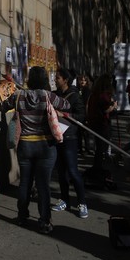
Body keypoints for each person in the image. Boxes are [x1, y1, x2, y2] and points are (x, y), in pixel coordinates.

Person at [0, 66, 71, 234]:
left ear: (29, 79)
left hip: (25, 145)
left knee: (25, 182)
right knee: (43, 185)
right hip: (45, 146)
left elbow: (4, 106)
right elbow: (66, 104)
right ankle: (44, 221)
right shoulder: (48, 96)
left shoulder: (18, 96)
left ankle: (22, 216)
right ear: (45, 80)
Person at [51, 68, 88, 219]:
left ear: (65, 80)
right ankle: (64, 199)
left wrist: (65, 115)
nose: (55, 80)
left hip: (70, 137)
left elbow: (81, 116)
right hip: (57, 136)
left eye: (58, 78)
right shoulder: (55, 94)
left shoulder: (75, 96)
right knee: (61, 172)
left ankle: (82, 202)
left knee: (73, 171)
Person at [86, 74, 117, 170]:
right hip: (101, 123)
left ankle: (98, 166)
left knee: (99, 146)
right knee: (101, 146)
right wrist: (113, 106)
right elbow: (105, 110)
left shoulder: (94, 94)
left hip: (95, 122)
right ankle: (99, 167)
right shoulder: (103, 95)